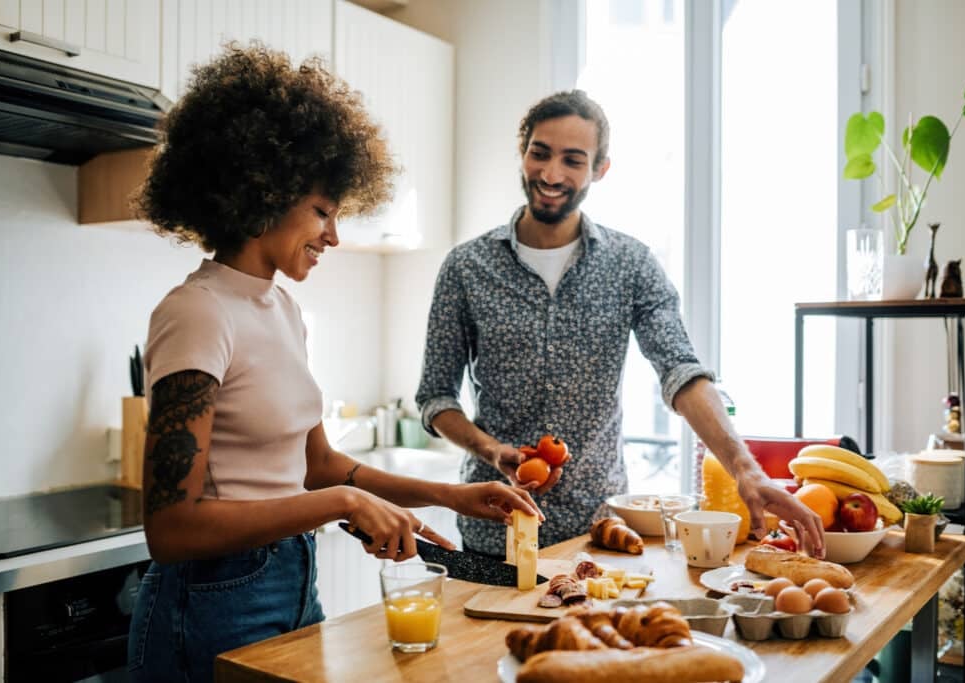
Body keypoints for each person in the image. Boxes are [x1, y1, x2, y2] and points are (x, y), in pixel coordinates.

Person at [126, 44, 541, 683]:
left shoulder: (282, 310)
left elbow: (316, 465)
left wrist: (446, 495)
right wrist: (342, 502)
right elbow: (172, 529)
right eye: (322, 211)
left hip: (291, 580)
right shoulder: (198, 312)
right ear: (258, 192)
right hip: (211, 597)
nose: (334, 236)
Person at [415, 89, 824, 560]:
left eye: (573, 160)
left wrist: (745, 467)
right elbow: (436, 397)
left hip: (599, 535)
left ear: (599, 169)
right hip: (493, 529)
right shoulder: (467, 267)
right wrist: (492, 452)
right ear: (522, 152)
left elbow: (680, 371)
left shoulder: (630, 264)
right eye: (539, 153)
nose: (551, 174)